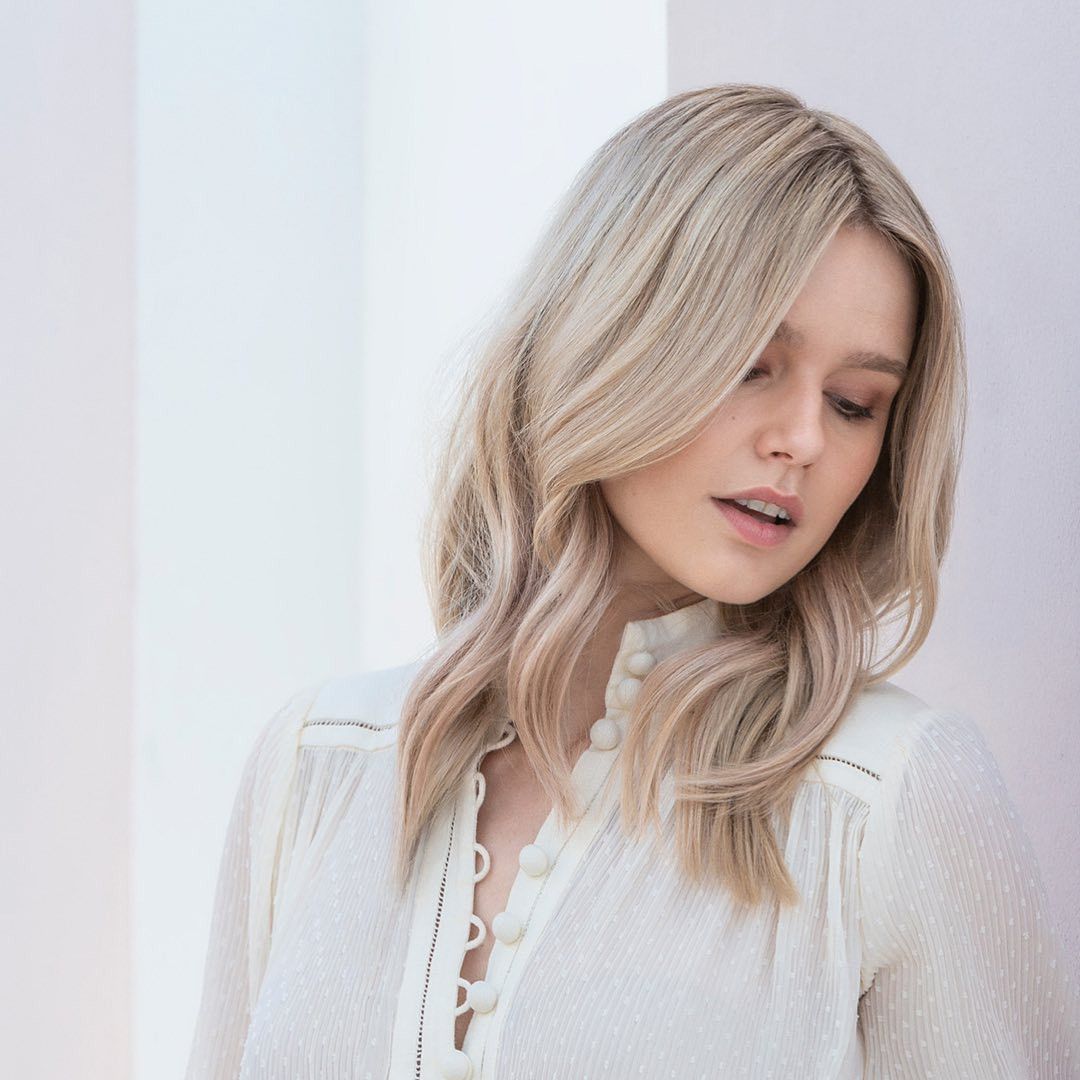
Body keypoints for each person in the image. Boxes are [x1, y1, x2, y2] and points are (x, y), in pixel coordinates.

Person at [184, 84, 1080, 1079]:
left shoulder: (890, 796)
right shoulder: (317, 767)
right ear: (614, 337)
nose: (803, 440)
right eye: (754, 364)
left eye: (856, 402)